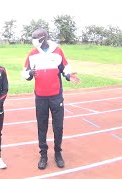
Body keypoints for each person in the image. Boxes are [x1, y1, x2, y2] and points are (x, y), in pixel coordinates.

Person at [21, 28, 81, 170]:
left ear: (44, 37)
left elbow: (65, 67)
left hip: (56, 96)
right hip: (40, 97)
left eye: (36, 37)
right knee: (42, 127)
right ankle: (43, 155)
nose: (33, 40)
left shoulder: (57, 51)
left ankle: (58, 153)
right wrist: (29, 73)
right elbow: (25, 72)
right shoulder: (32, 54)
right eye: (32, 37)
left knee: (58, 126)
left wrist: (68, 75)